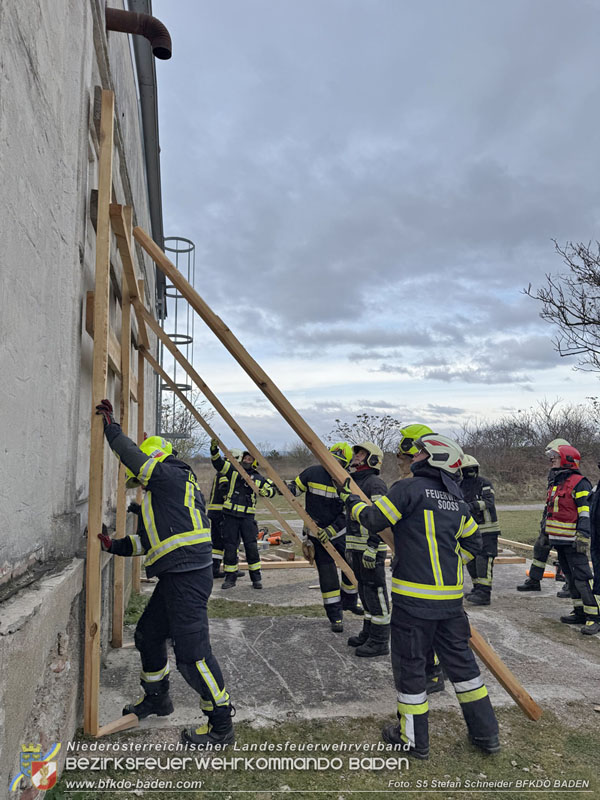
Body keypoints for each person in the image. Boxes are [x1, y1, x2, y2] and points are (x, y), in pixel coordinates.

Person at [338, 432, 499, 760]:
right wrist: (450, 566)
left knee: (411, 667)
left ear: (433, 458)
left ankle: (412, 739)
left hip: (413, 604)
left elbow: (373, 519)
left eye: (421, 452)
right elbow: (473, 544)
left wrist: (352, 501)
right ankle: (487, 735)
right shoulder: (458, 502)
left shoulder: (407, 489)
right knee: (464, 669)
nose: (415, 456)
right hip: (452, 605)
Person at [94, 399, 234, 747]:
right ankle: (158, 698)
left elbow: (132, 458)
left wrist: (112, 428)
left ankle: (221, 724)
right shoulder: (167, 495)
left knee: (193, 654)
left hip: (187, 576)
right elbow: (149, 542)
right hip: (177, 574)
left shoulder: (171, 474)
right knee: (148, 635)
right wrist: (114, 546)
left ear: (155, 459)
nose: (139, 486)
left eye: (140, 478)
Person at [289, 442, 360, 632]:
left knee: (351, 569)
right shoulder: (312, 473)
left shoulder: (348, 481)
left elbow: (349, 513)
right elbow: (292, 490)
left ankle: (350, 602)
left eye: (338, 463)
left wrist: (332, 530)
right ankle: (335, 616)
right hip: (317, 536)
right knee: (328, 575)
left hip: (341, 534)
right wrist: (273, 488)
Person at [542, 445, 599, 634]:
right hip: (559, 541)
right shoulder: (556, 482)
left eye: (555, 457)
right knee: (571, 578)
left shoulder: (580, 483)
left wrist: (583, 536)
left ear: (567, 459)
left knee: (582, 579)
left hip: (574, 541)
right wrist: (545, 534)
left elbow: (585, 512)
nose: (552, 460)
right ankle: (579, 612)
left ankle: (594, 617)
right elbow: (549, 511)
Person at [210, 440, 275, 590]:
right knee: (230, 547)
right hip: (230, 516)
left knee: (251, 548)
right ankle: (230, 578)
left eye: (249, 459)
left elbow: (271, 489)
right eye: (245, 458)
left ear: (254, 462)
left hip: (247, 518)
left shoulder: (258, 478)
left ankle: (256, 578)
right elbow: (218, 463)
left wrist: (267, 492)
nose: (246, 460)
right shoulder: (232, 471)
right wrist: (214, 450)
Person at [345, 442, 390, 656]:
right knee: (364, 592)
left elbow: (381, 519)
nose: (356, 456)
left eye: (361, 453)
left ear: (372, 458)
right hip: (355, 548)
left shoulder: (376, 484)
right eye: (356, 453)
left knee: (376, 593)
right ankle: (369, 633)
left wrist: (373, 547)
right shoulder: (353, 481)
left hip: (371, 549)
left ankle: (380, 641)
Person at [517, 438, 571, 594]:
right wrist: (545, 520)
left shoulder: (571, 476)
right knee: (540, 548)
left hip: (564, 523)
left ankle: (569, 584)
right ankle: (534, 580)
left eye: (554, 454)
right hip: (550, 519)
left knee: (565, 555)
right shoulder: (553, 474)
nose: (551, 458)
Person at [461, 455, 500, 606]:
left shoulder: (484, 483)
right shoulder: (460, 485)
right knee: (472, 560)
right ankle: (477, 588)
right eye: (466, 470)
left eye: (471, 469)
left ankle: (485, 593)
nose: (469, 472)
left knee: (484, 560)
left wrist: (471, 506)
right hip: (470, 531)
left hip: (488, 530)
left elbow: (489, 501)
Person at [207, 448, 242, 578]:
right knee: (231, 541)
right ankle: (231, 569)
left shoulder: (221, 470)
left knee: (217, 543)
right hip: (223, 513)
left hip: (215, 512)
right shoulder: (227, 472)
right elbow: (225, 490)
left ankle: (214, 569)